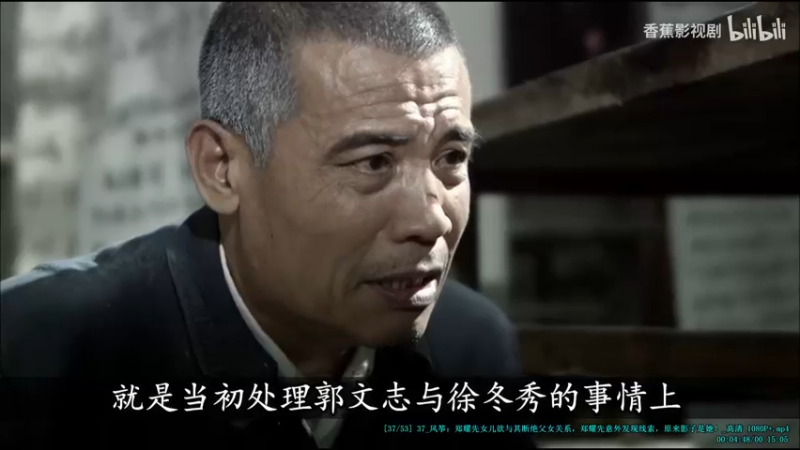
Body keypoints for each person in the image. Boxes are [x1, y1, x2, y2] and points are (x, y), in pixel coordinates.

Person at [1, 3, 534, 448]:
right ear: (222, 168)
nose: (431, 218)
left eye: (451, 157)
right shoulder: (41, 348)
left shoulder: (472, 349)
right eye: (374, 162)